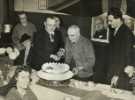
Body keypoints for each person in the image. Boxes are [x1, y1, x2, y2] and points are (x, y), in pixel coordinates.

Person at [107, 8, 135, 90]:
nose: (109, 23)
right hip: (114, 71)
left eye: (111, 20)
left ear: (118, 19)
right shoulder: (114, 31)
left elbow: (125, 56)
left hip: (121, 74)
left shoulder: (127, 33)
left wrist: (117, 74)